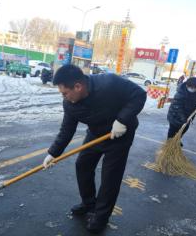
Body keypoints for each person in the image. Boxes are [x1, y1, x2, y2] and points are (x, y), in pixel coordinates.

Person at [42, 64, 146, 233]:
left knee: (110, 177)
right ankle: (89, 203)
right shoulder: (70, 104)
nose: (64, 97)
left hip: (120, 134)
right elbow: (67, 130)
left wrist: (122, 119)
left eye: (65, 93)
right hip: (96, 134)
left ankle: (101, 217)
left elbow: (139, 95)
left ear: (78, 86)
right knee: (82, 165)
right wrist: (53, 153)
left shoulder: (109, 83)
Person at [167, 77, 196, 143]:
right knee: (173, 131)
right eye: (191, 87)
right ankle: (169, 143)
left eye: (195, 87)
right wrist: (183, 118)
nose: (193, 89)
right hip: (175, 115)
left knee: (183, 130)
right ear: (187, 85)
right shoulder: (180, 93)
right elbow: (177, 107)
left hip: (189, 116)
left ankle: (177, 140)